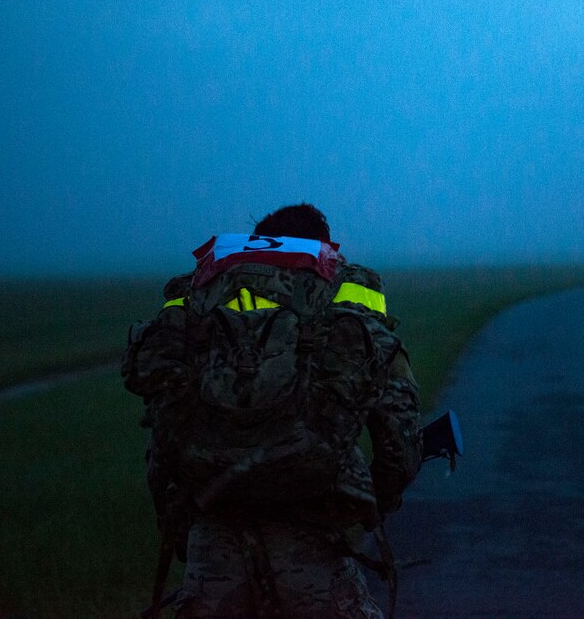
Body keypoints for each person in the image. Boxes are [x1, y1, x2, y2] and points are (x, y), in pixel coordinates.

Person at [124, 203, 421, 618]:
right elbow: (399, 434)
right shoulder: (342, 287)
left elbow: (164, 423)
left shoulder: (197, 294)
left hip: (212, 539)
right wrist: (374, 503)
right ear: (323, 244)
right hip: (312, 539)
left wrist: (177, 520)